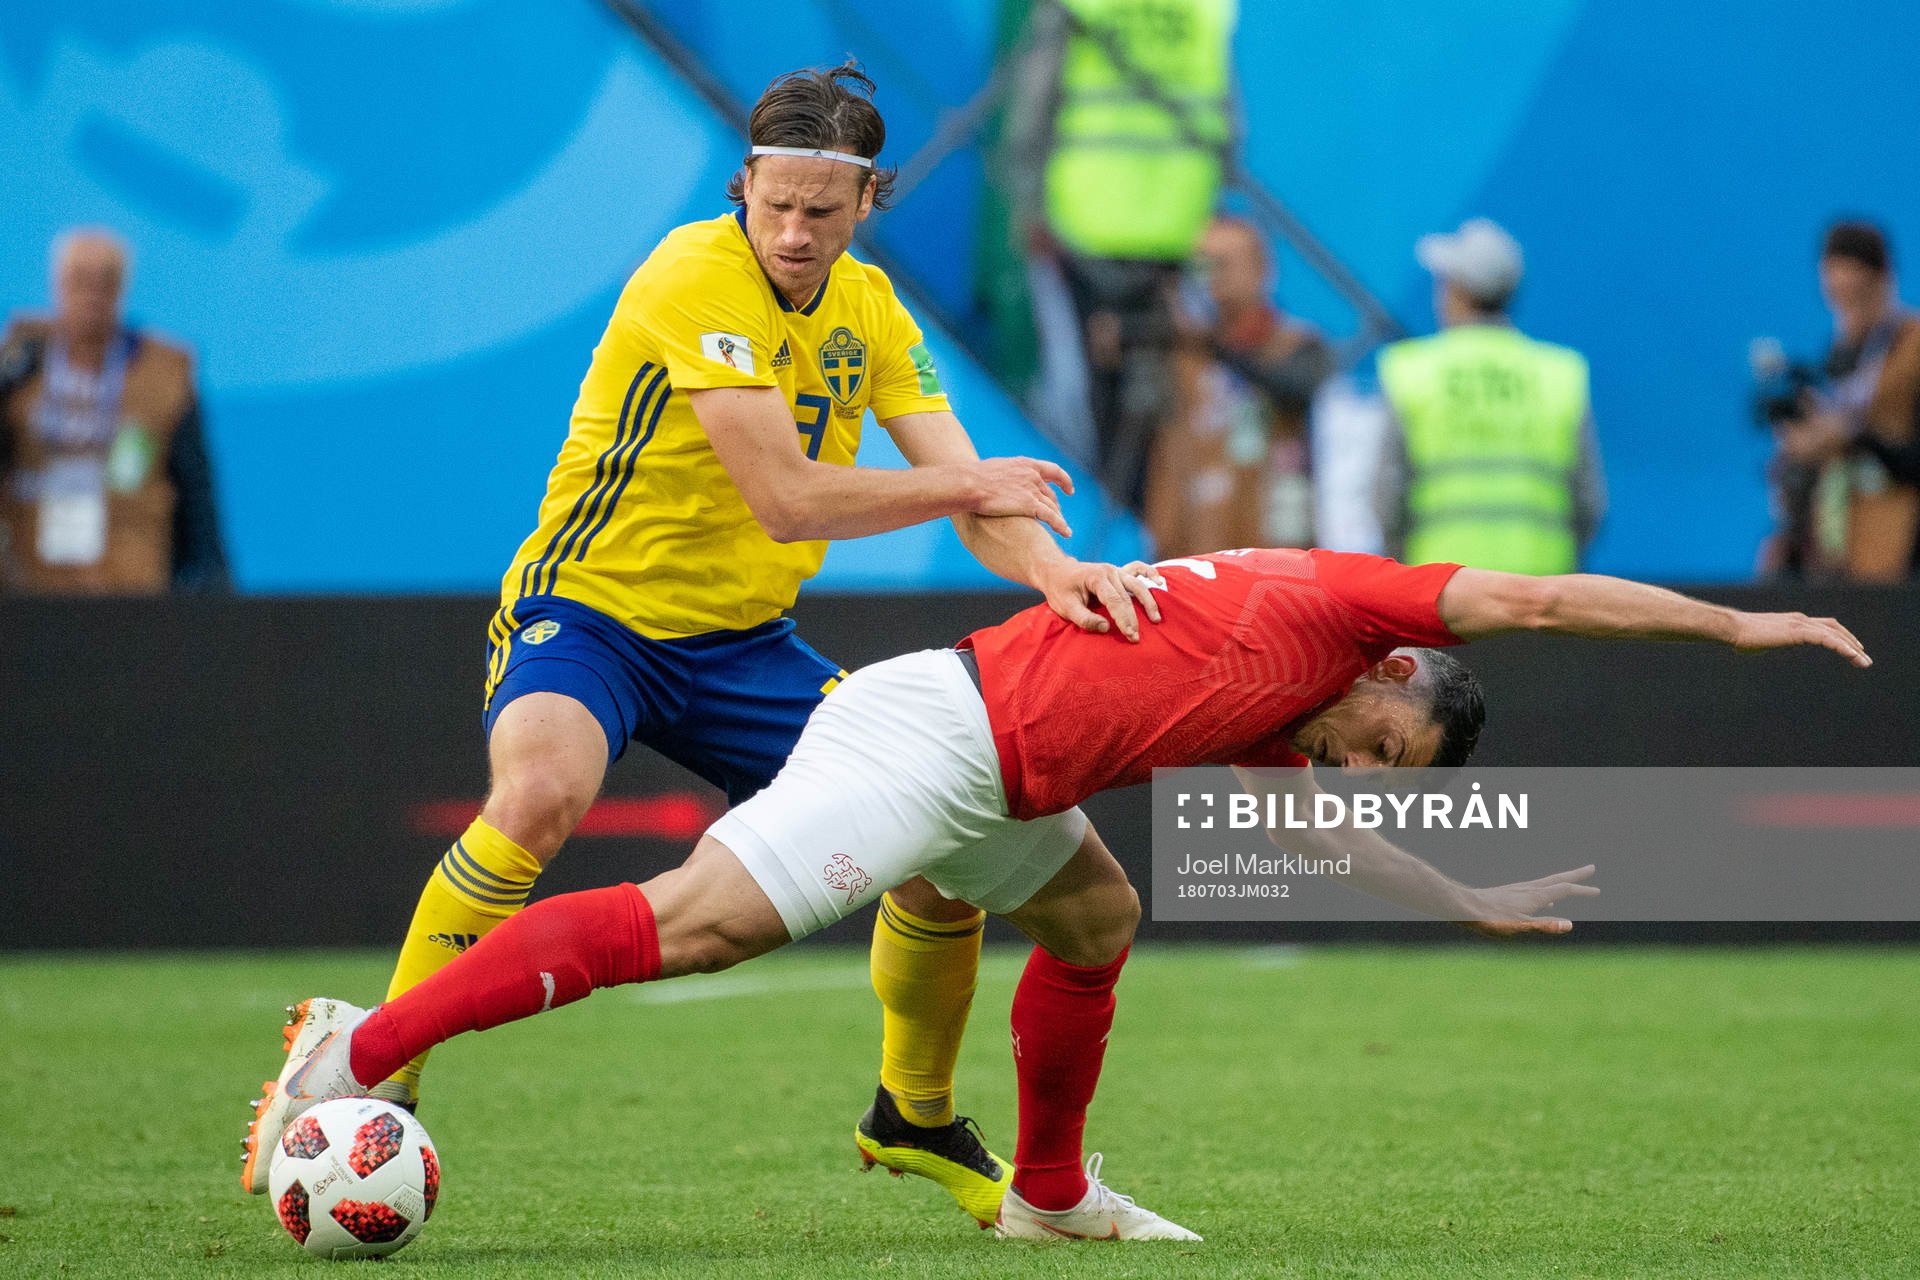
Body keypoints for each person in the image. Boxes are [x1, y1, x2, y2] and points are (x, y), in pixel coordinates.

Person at [243, 547, 1867, 1241]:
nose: (1373, 774)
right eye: (1390, 748)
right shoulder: (1342, 607)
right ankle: (360, 1055)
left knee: (1097, 919)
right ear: (1393, 676)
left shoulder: (1287, 718)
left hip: (1002, 777)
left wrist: (1470, 898)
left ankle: (1047, 1192)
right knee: (696, 925)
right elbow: (1538, 597)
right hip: (931, 738)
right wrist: (1744, 629)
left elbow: (1318, 840)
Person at [240, 63, 1165, 1217]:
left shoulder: (871, 311)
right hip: (590, 612)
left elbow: (975, 494)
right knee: (539, 793)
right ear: (744, 184)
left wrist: (1057, 567)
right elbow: (787, 496)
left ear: (866, 201)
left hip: (745, 644)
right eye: (771, 202)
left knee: (943, 818)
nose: (790, 230)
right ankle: (373, 1071)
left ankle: (912, 1116)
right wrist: (971, 482)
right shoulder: (694, 270)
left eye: (819, 212)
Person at [1008, 0, 1240, 515]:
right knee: (1170, 391)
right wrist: (1216, 202)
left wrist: (1027, 199)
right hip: (1179, 221)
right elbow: (1226, 116)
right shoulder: (1205, 9)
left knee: (1085, 392)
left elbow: (1037, 95)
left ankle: (1101, 527)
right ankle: (1145, 531)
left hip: (1086, 217)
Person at [0, 228, 226, 593]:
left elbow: (195, 486)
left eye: (106, 280)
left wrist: (212, 575)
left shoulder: (161, 373)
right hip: (27, 574)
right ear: (56, 284)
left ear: (123, 288)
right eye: (80, 279)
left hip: (129, 572)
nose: (92, 293)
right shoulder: (18, 362)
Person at [1375, 218, 1606, 575]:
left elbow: (1388, 495)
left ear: (1457, 290)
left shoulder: (1412, 371)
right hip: (1543, 594)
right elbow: (1590, 503)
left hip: (1441, 593)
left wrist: (1399, 563)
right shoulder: (1560, 373)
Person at [1147, 214, 1333, 556]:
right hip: (1195, 550)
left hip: (1277, 550)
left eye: (1224, 263)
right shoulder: (1181, 358)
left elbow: (1294, 387)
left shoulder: (1294, 344)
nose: (1213, 276)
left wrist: (1216, 346)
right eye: (1202, 266)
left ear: (1262, 270)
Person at [1765, 220, 1920, 581]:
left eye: (1858, 293)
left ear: (1882, 280)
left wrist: (1853, 438)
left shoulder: (1911, 348)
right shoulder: (1841, 352)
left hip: (1904, 538)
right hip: (1838, 541)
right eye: (1837, 298)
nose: (1849, 310)